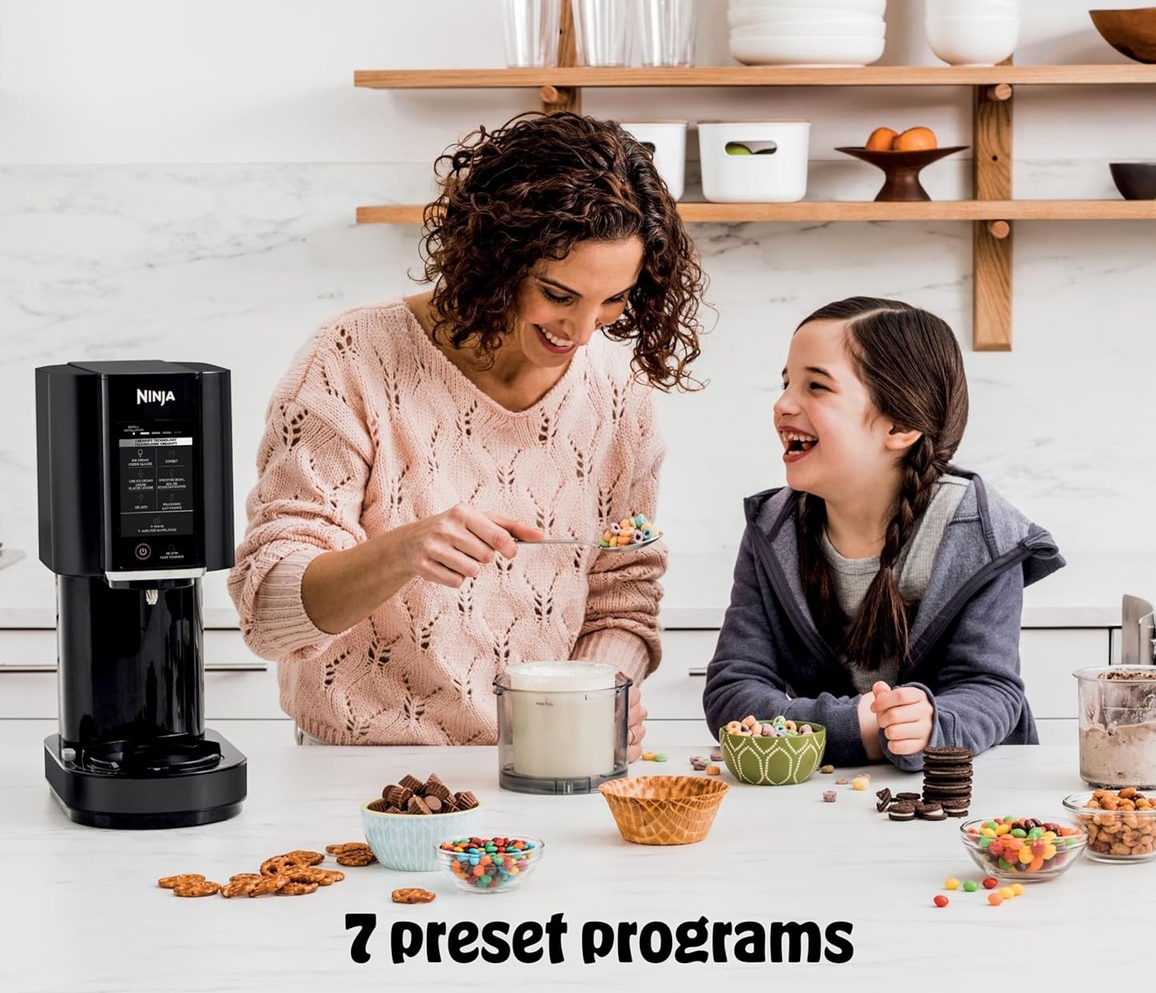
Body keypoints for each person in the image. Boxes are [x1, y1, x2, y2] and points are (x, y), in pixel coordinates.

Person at [228, 111, 706, 749]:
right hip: (359, 775)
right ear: (496, 258)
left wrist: (595, 693)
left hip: (544, 765)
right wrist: (401, 552)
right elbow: (270, 616)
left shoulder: (619, 395)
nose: (585, 330)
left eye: (614, 299)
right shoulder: (351, 359)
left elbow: (621, 597)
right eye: (559, 294)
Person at [703, 296, 1065, 770]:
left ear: (900, 425)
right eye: (786, 382)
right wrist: (857, 730)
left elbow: (992, 691)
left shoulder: (983, 534)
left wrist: (934, 724)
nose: (783, 404)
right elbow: (734, 688)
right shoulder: (772, 529)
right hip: (822, 802)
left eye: (816, 386)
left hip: (965, 798)